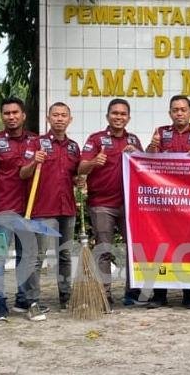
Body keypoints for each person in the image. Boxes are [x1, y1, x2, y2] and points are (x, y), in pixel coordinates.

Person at [144, 95, 190, 309]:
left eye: (183, 109)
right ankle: (159, 294)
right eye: (175, 110)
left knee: (188, 247)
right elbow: (144, 161)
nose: (179, 113)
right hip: (163, 202)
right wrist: (152, 148)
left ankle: (189, 295)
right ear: (170, 113)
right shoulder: (161, 134)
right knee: (159, 244)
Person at [78, 98, 144, 307]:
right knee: (104, 249)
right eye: (115, 113)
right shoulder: (96, 139)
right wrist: (93, 162)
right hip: (102, 204)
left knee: (133, 249)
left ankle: (132, 293)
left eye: (123, 114)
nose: (119, 117)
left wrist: (139, 155)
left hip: (129, 204)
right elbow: (81, 168)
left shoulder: (132, 140)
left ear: (128, 118)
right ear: (108, 116)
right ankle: (104, 294)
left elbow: (144, 167)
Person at [20, 102, 80, 315]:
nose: (60, 119)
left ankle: (66, 296)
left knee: (64, 254)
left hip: (67, 208)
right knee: (37, 256)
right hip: (42, 209)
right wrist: (33, 162)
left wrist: (79, 181)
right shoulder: (36, 143)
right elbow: (23, 174)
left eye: (64, 115)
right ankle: (33, 301)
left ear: (70, 119)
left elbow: (73, 175)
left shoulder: (74, 146)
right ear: (48, 118)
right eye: (55, 115)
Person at [0, 97, 38, 321]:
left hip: (29, 210)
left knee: (26, 257)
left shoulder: (36, 142)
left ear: (23, 115)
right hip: (1, 209)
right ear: (1, 116)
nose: (11, 117)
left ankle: (23, 300)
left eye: (16, 113)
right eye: (7, 113)